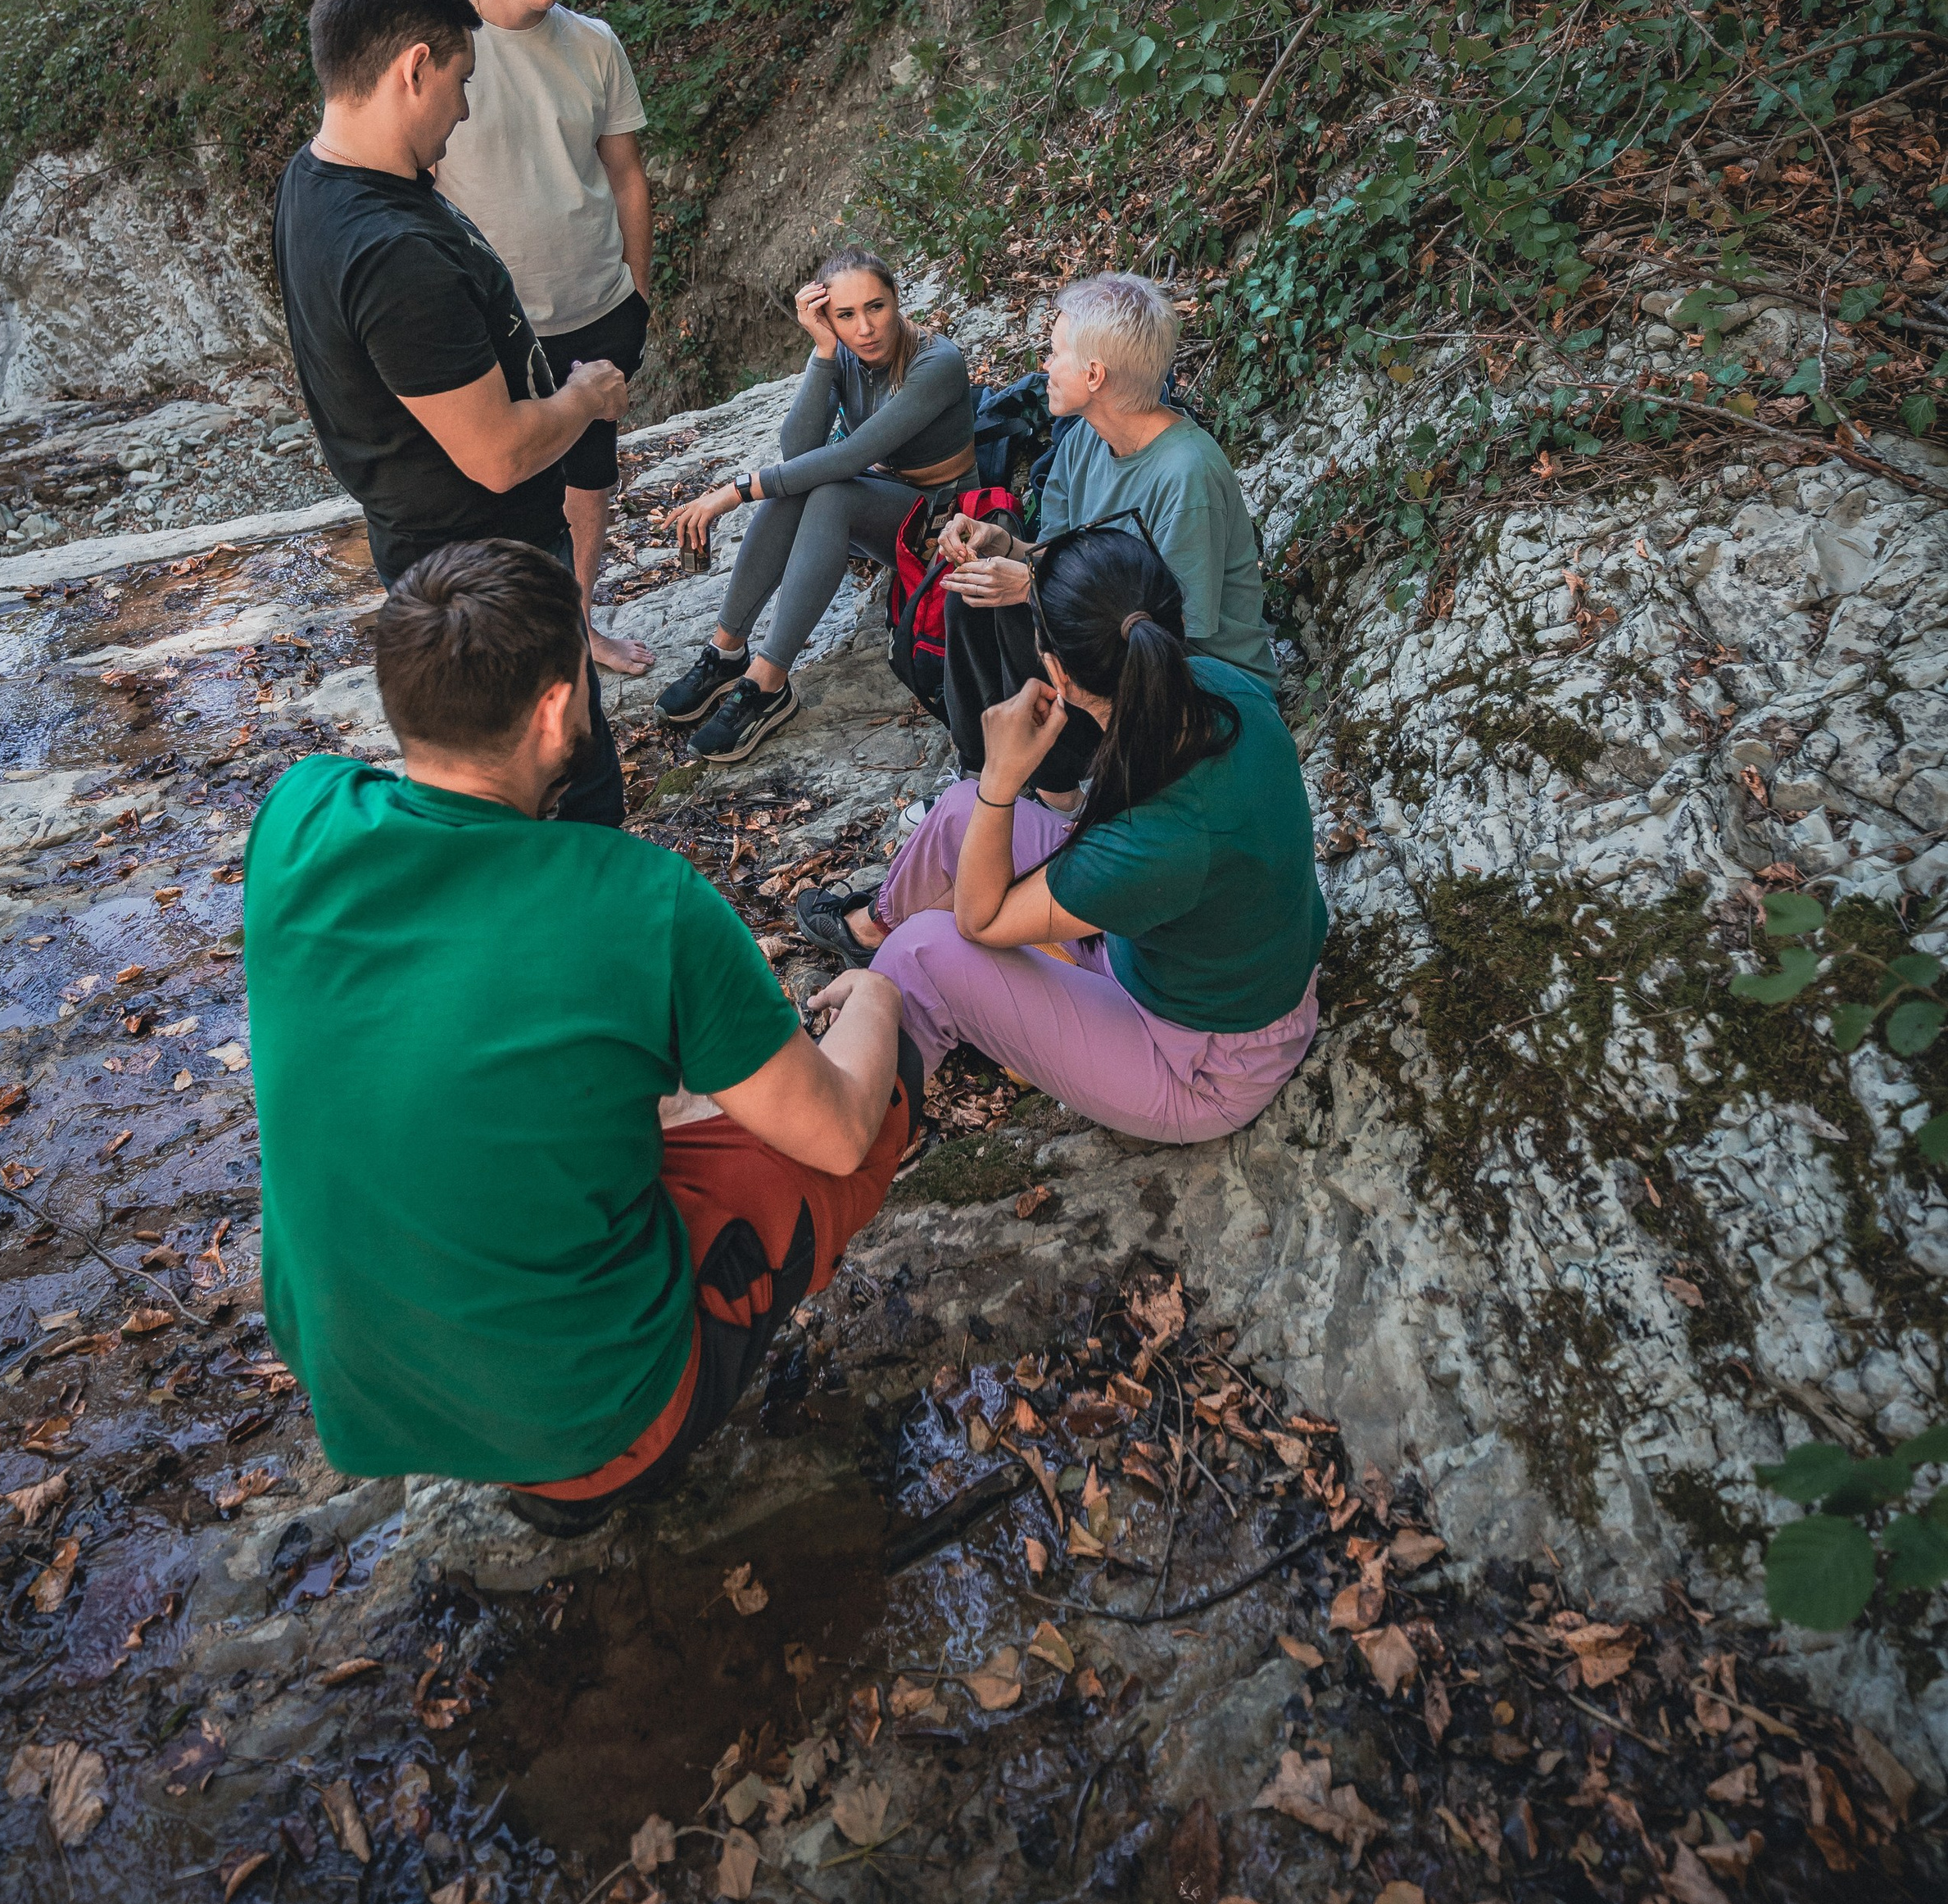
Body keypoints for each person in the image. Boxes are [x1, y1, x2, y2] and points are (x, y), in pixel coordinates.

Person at [244, 539, 917, 1525]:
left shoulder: (297, 814)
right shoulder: (645, 905)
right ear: (559, 707)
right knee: (876, 1103)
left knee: (614, 1095)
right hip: (588, 1422)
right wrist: (881, 999)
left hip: (361, 1387)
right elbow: (837, 1133)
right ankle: (594, 1466)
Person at [800, 524, 1324, 1145]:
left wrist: (1002, 776)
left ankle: (844, 1123)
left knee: (928, 952)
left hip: (1203, 1065)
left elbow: (980, 923)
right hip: (1170, 954)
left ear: (1056, 672)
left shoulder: (1157, 839)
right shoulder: (1213, 684)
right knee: (961, 811)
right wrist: (1018, 557)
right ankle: (873, 933)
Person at [272, 0, 630, 824]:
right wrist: (583, 398)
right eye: (461, 82)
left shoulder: (313, 181)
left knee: (498, 811)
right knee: (567, 801)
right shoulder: (390, 254)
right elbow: (499, 456)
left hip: (432, 563)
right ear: (414, 67)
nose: (465, 111)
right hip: (486, 575)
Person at [433, 0, 657, 679]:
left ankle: (578, 625)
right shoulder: (439, 43)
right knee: (494, 490)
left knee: (587, 480)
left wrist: (638, 289)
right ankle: (501, 648)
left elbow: (627, 174)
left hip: (596, 303)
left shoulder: (594, 44)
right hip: (491, 321)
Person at [937, 271, 1273, 804]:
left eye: (1054, 353)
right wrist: (1002, 546)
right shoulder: (1085, 441)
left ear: (1094, 374)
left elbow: (1174, 626)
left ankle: (1059, 792)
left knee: (1024, 605)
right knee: (972, 591)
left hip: (1198, 682)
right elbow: (1058, 558)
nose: (1043, 366)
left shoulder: (1187, 475)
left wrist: (1028, 586)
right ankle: (983, 774)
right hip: (1117, 646)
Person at [655, 246, 978, 765]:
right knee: (806, 483)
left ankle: (769, 683)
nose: (865, 328)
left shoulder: (936, 362)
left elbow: (852, 454)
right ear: (825, 315)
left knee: (827, 489)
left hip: (944, 523)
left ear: (897, 299)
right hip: (884, 506)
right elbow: (799, 451)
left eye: (876, 306)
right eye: (845, 315)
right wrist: (823, 352)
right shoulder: (844, 352)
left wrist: (736, 490)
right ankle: (726, 651)